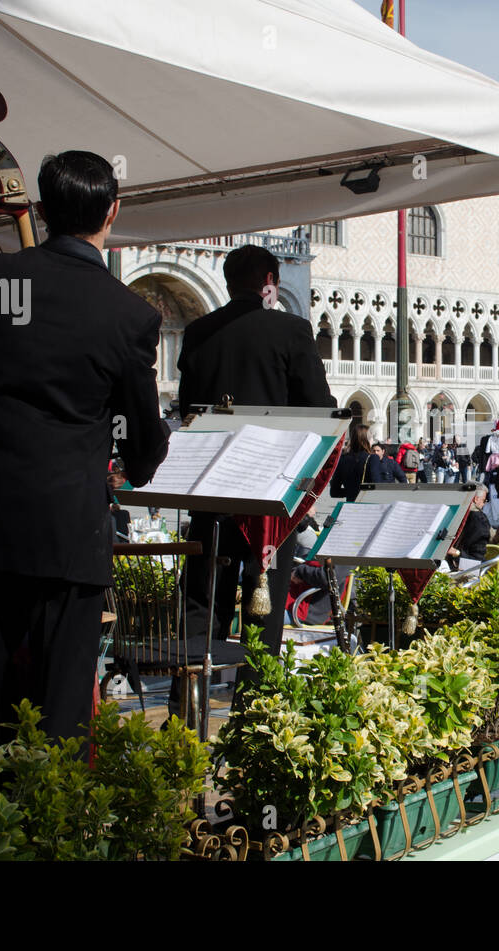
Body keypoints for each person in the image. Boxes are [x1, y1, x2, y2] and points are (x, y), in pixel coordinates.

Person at [0, 150, 169, 748]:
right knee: (59, 705)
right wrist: (141, 456)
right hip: (67, 533)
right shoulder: (129, 315)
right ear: (113, 212)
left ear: (42, 210)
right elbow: (143, 445)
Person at [176, 242, 336, 668]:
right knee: (260, 607)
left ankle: (184, 707)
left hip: (209, 491)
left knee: (201, 602)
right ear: (270, 283)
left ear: (229, 283)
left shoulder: (198, 333)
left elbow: (188, 412)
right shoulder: (291, 331)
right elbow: (321, 410)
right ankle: (254, 711)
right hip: (269, 494)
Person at [330, 422, 379, 502]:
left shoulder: (342, 459)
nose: (373, 441)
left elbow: (334, 492)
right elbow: (377, 487)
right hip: (368, 505)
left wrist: (351, 492)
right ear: (366, 439)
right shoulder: (372, 458)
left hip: (350, 505)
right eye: (372, 438)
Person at [448, 484, 491, 569]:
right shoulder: (479, 521)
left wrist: (456, 553)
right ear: (476, 499)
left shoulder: (450, 512)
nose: (484, 504)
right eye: (484, 500)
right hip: (464, 569)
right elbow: (478, 565)